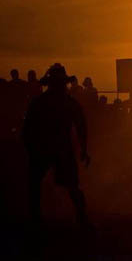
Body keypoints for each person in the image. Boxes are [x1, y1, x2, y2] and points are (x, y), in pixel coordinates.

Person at [21, 63, 91, 227]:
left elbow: (81, 126)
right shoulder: (67, 103)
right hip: (53, 147)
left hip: (47, 147)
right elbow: (81, 126)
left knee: (37, 183)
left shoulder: (40, 103)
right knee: (69, 186)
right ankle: (80, 217)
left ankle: (37, 218)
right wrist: (84, 149)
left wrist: (84, 148)